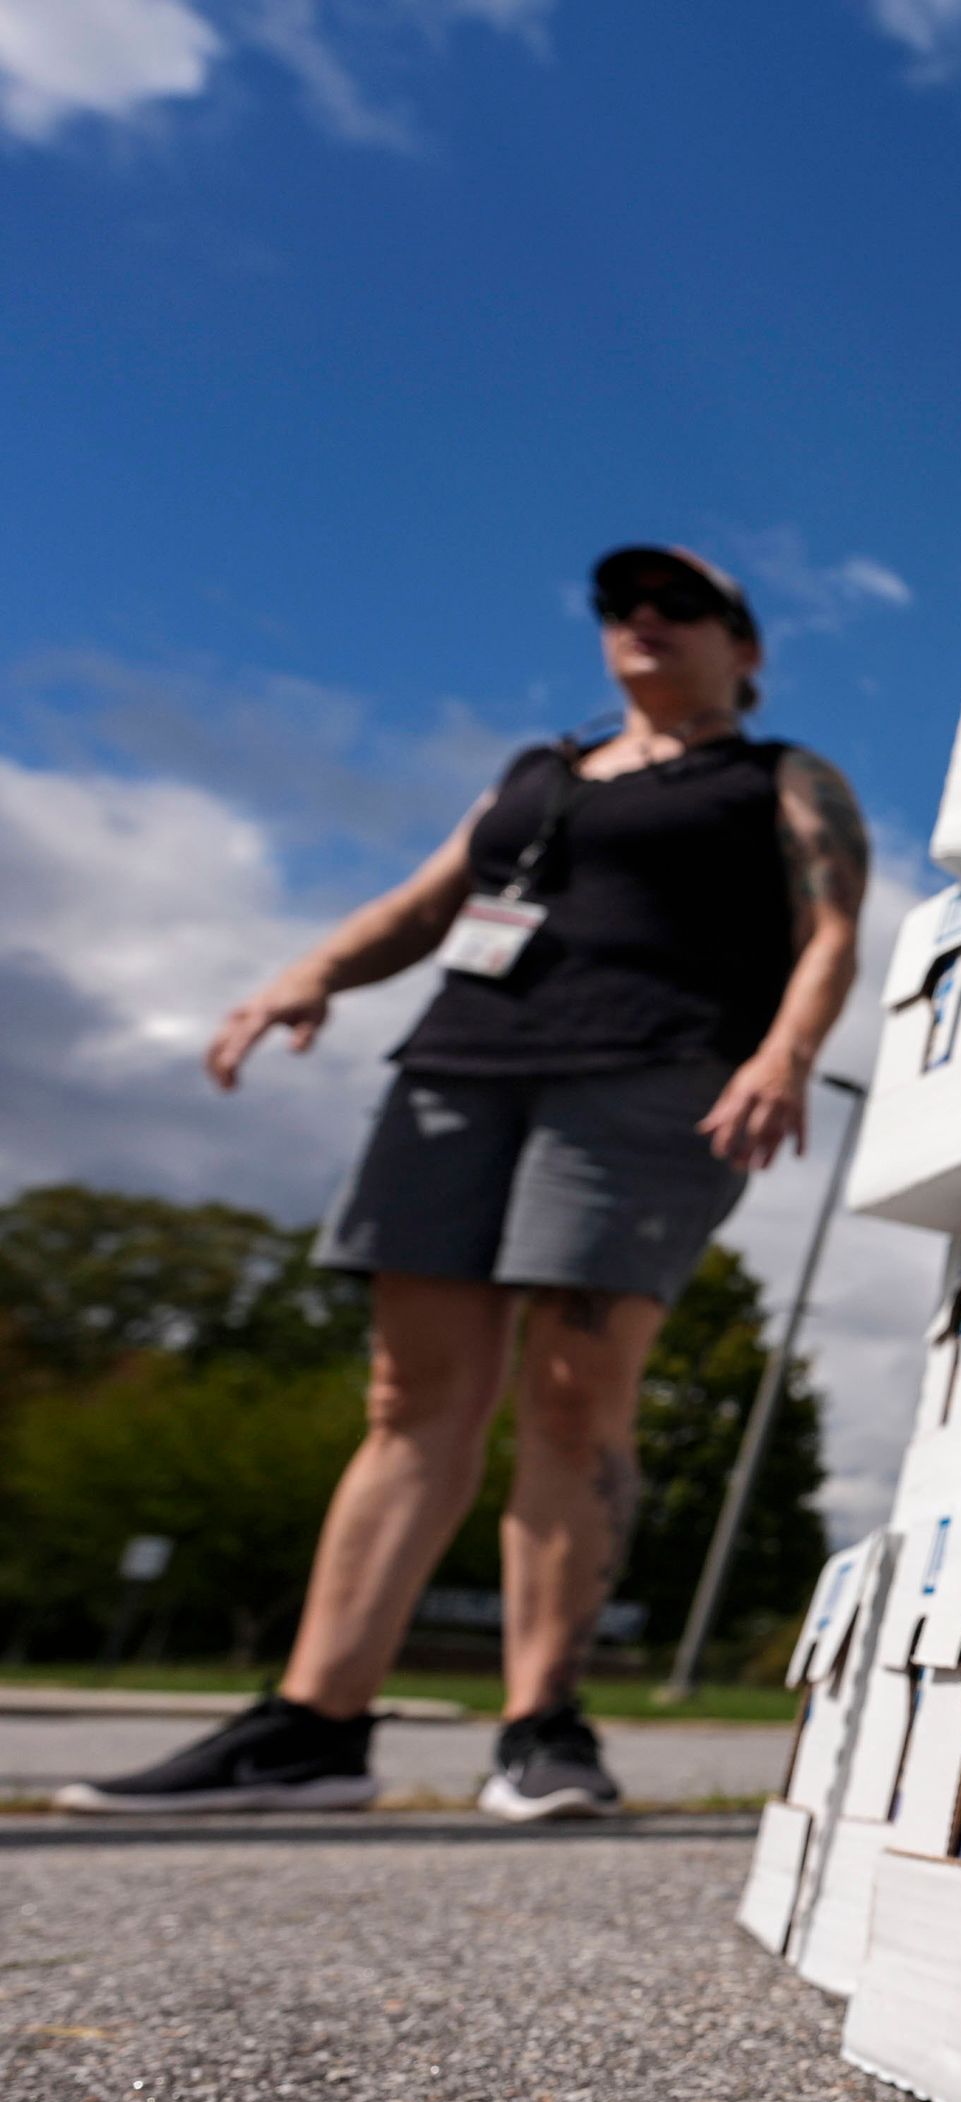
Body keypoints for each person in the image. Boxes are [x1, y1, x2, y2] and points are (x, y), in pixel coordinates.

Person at [55, 547, 868, 1822]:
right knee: (410, 1396)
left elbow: (831, 928)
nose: (644, 621)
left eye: (680, 606)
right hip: (461, 1069)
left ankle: (542, 1725)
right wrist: (303, 974)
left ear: (745, 646)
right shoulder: (537, 776)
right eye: (621, 606)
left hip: (648, 1074)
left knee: (569, 1390)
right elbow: (432, 903)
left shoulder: (779, 778)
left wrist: (785, 1052)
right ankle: (312, 1727)